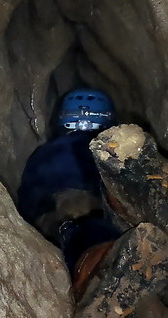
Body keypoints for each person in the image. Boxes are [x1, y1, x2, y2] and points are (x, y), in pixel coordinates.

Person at [18, 88, 122, 282]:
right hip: (95, 222)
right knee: (100, 237)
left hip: (49, 224)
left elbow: (26, 200)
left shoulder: (42, 155)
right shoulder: (111, 152)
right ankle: (98, 273)